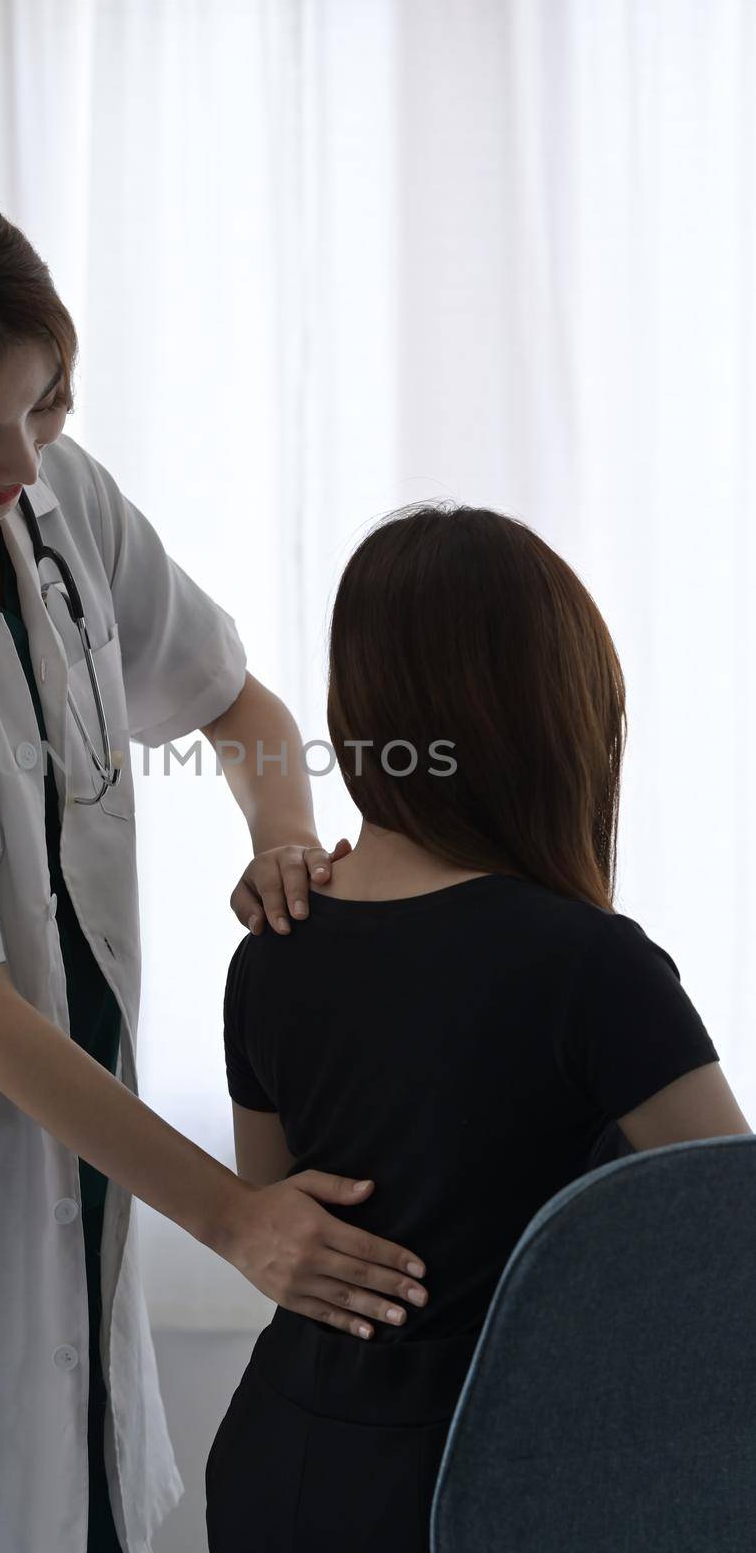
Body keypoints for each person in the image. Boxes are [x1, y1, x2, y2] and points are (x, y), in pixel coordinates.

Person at [0, 178, 429, 1553]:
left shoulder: (59, 512)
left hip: (77, 1138)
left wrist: (280, 839)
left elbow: (241, 708)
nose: (23, 465)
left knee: (81, 1500)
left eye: (47, 406)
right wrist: (233, 1220)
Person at [205, 502, 752, 1553]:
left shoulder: (269, 948)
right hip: (485, 1480)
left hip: (281, 1460)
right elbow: (727, 1237)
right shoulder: (590, 967)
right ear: (548, 714)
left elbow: (281, 1215)